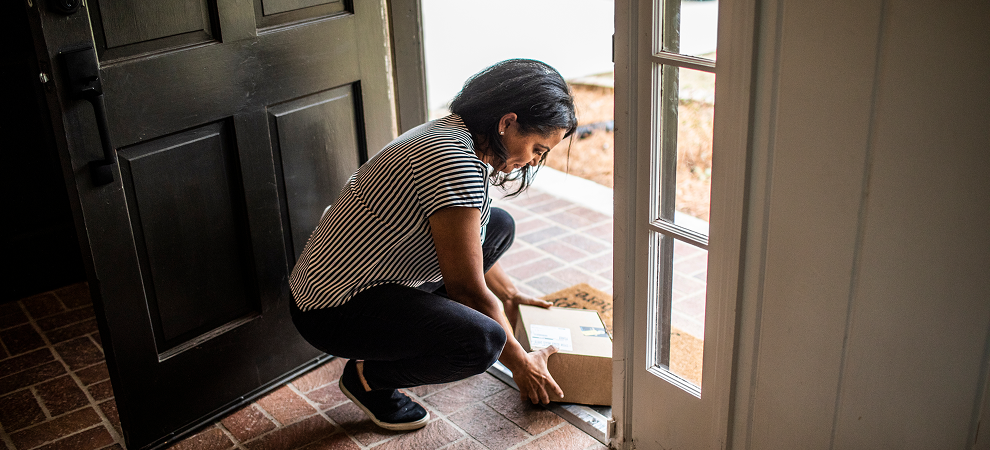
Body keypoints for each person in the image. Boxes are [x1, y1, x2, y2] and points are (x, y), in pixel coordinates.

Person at [288, 59, 577, 431]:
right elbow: (468, 291)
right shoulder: (454, 162)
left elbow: (471, 242)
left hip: (351, 278)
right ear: (507, 123)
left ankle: (429, 328)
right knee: (482, 343)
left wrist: (510, 293)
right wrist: (522, 365)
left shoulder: (452, 131)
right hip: (330, 310)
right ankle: (368, 379)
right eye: (538, 147)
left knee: (499, 225)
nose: (535, 160)